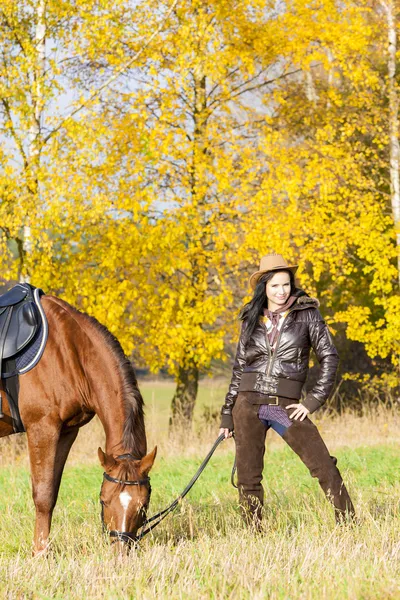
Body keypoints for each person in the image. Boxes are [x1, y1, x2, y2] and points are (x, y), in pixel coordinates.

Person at [219, 253, 355, 527]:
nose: (281, 291)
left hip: (279, 407)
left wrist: (313, 400)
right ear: (264, 287)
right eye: (275, 286)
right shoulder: (251, 317)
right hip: (247, 405)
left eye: (286, 285)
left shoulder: (307, 315)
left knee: (321, 464)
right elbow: (238, 368)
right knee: (248, 475)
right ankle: (253, 532)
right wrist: (226, 415)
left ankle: (349, 524)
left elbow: (329, 357)